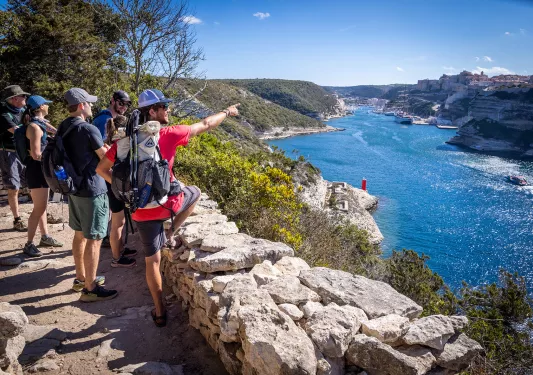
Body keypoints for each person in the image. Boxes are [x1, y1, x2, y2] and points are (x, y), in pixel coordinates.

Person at [97, 88, 239, 327]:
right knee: (194, 193)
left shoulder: (125, 140)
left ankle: (160, 311)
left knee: (151, 261)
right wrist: (227, 111)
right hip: (166, 206)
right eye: (164, 106)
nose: (168, 110)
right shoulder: (170, 133)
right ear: (153, 111)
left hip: (140, 209)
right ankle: (171, 232)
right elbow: (205, 124)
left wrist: (128, 190)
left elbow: (101, 170)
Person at [61, 88, 117, 302]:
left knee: (79, 234)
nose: (92, 106)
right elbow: (105, 158)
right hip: (93, 190)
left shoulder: (64, 126)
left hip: (73, 188)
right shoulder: (88, 128)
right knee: (94, 238)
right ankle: (90, 288)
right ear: (82, 105)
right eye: (90, 103)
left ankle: (81, 278)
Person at [22, 96, 64, 257]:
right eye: (46, 104)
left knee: (42, 207)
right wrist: (52, 158)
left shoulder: (40, 124)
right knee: (39, 208)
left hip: (40, 170)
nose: (48, 106)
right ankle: (29, 244)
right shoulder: (35, 127)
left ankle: (45, 237)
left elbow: (56, 131)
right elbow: (35, 154)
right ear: (40, 107)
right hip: (37, 171)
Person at [92, 91, 132, 250]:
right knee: (115, 212)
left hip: (105, 170)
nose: (124, 107)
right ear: (113, 101)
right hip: (106, 170)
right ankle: (110, 242)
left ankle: (111, 239)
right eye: (121, 103)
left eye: (127, 104)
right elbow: (103, 147)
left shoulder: (105, 118)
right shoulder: (104, 119)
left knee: (113, 210)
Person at [102, 114, 137, 268]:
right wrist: (118, 186)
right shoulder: (118, 146)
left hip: (113, 187)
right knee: (117, 223)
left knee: (119, 222)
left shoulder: (110, 143)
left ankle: (121, 249)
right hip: (115, 188)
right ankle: (116, 258)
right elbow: (103, 169)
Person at [0, 85, 29, 232]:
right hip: (9, 152)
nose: (25, 98)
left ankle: (39, 213)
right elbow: (16, 131)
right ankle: (17, 219)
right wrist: (36, 132)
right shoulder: (4, 114)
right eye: (23, 96)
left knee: (30, 183)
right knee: (14, 187)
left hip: (22, 152)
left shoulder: (23, 110)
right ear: (14, 99)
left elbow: (35, 123)